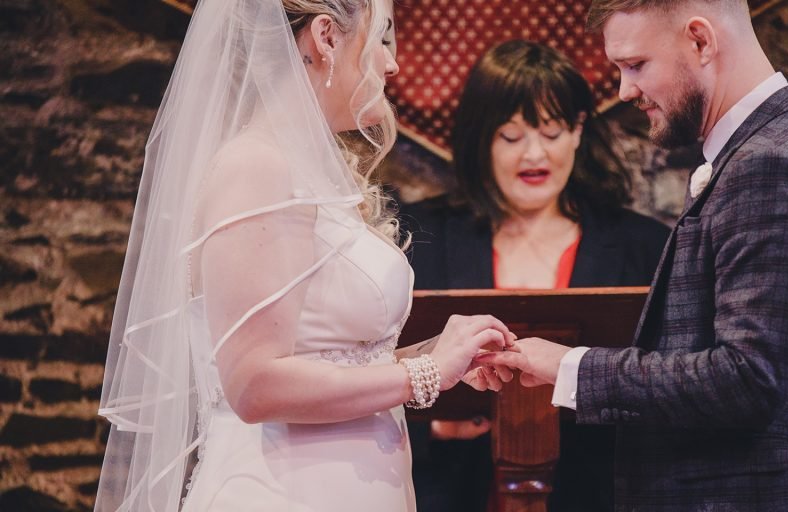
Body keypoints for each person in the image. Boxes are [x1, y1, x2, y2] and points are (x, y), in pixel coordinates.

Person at [94, 1, 515, 511]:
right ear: (326, 37)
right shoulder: (256, 167)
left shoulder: (303, 166)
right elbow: (255, 384)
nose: (392, 64)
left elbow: (328, 357)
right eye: (381, 38)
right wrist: (422, 376)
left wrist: (432, 355)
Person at [478, 1, 788, 510]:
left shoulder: (774, 165)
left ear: (700, 40)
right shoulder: (772, 146)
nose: (626, 90)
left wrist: (570, 367)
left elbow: (745, 379)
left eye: (635, 65)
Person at [401, 40, 669, 512]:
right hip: (451, 490)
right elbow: (366, 365)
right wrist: (435, 423)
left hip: (598, 493)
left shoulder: (641, 245)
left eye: (551, 131)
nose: (534, 155)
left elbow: (667, 386)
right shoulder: (420, 240)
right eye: (511, 136)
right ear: (480, 138)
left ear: (578, 131)